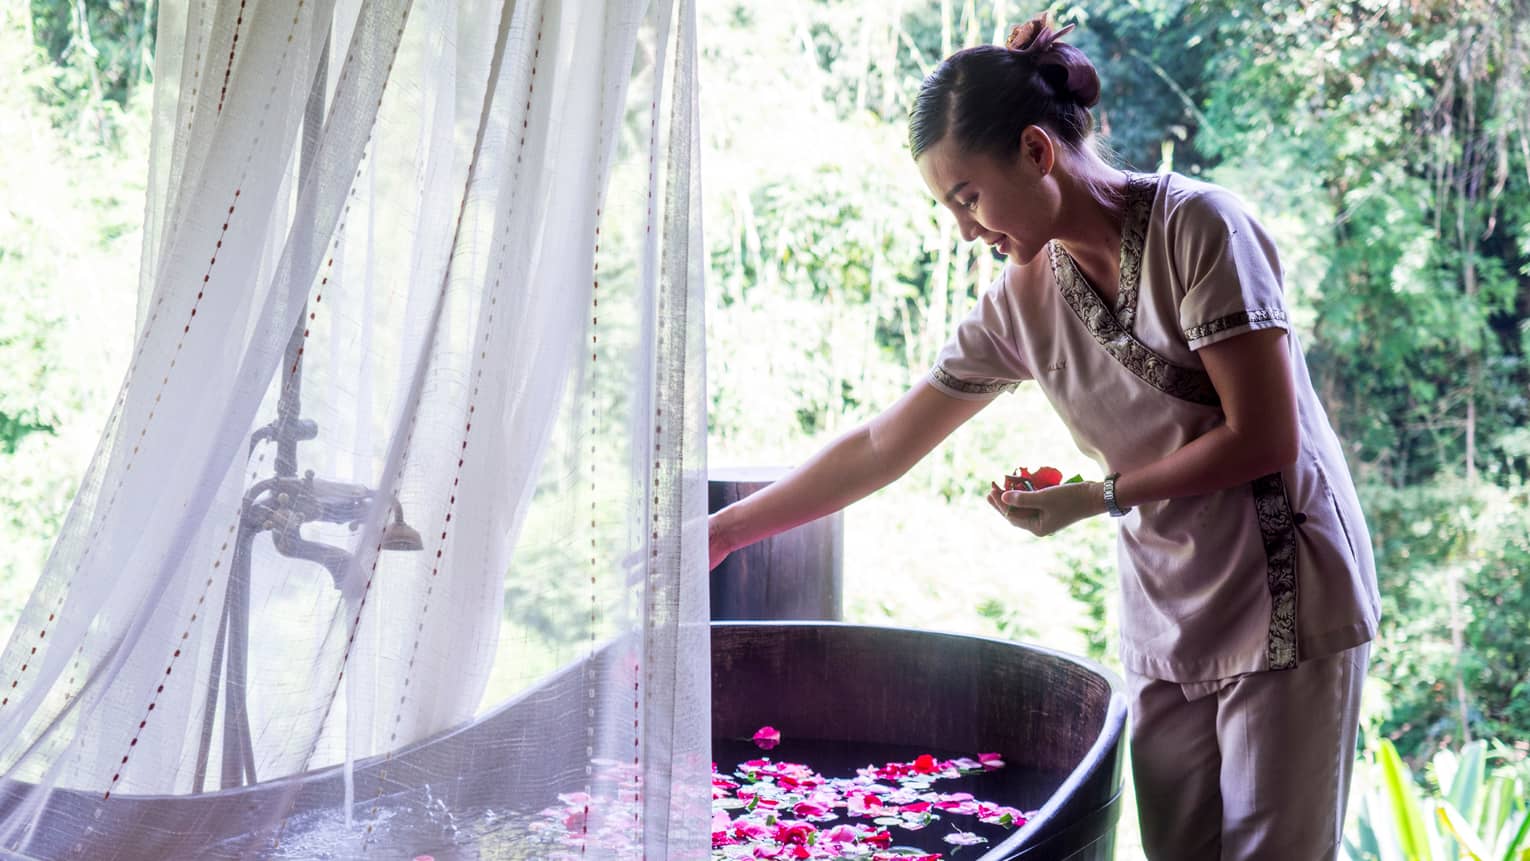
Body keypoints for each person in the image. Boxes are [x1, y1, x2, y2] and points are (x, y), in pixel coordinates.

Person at [706, 13, 1381, 861]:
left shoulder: (1202, 229)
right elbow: (885, 442)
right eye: (949, 207)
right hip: (1169, 605)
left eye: (968, 197)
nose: (964, 228)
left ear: (1036, 151)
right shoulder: (1022, 299)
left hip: (1285, 592)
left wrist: (1095, 497)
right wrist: (728, 531)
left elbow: (1266, 437)